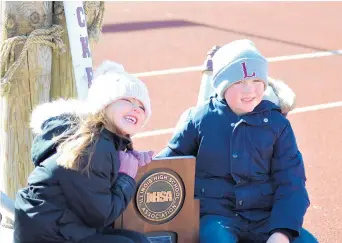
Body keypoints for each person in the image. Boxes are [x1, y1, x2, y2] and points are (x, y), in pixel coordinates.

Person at [156, 40, 318, 243]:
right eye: (239, 82)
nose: (249, 90)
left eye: (256, 81)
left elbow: (291, 182)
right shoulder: (200, 119)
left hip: (265, 218)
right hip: (217, 216)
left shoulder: (277, 125)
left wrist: (282, 232)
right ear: (222, 85)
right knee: (217, 238)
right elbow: (170, 162)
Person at [14, 61, 154, 243]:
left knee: (139, 240)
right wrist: (126, 176)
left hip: (64, 228)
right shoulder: (92, 145)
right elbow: (101, 215)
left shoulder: (100, 138)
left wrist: (128, 158)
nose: (136, 108)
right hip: (51, 235)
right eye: (127, 100)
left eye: (142, 107)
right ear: (103, 105)